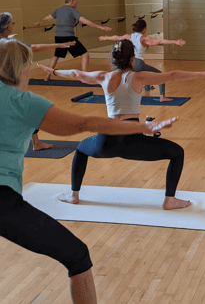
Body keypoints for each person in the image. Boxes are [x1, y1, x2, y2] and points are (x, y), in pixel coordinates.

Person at [0, 38, 174, 304]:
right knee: (77, 254)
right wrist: (142, 128)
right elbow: (85, 124)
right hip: (3, 200)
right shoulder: (24, 102)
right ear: (22, 70)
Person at [38, 39, 205, 210]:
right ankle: (170, 199)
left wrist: (53, 71)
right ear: (132, 58)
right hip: (133, 142)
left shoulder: (104, 76)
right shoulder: (139, 77)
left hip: (105, 142)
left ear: (113, 59)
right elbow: (173, 75)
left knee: (81, 149)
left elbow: (77, 74)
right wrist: (203, 73)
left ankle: (73, 195)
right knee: (177, 153)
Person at [0, 11, 76, 151]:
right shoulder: (11, 44)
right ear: (7, 27)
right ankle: (35, 143)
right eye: (11, 24)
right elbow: (35, 48)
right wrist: (58, 45)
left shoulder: (8, 42)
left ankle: (34, 142)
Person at [99, 18, 185, 102]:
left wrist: (106, 38)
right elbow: (160, 41)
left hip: (129, 62)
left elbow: (117, 38)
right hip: (138, 63)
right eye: (146, 28)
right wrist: (175, 42)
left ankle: (120, 94)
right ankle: (162, 97)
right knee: (160, 74)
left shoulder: (128, 36)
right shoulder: (144, 39)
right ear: (144, 29)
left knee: (128, 78)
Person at [39, 0, 112, 81]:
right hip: (68, 37)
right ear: (71, 1)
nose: (77, 2)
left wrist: (40, 21)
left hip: (58, 36)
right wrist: (100, 27)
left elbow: (47, 18)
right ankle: (84, 76)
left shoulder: (58, 10)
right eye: (75, 0)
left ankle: (47, 76)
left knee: (56, 56)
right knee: (85, 54)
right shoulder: (72, 10)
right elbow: (84, 21)